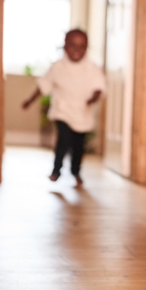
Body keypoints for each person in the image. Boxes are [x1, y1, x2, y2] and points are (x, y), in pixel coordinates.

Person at [21, 29, 106, 187]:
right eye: (72, 45)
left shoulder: (92, 68)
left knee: (78, 146)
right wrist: (30, 100)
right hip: (63, 110)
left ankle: (75, 171)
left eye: (82, 46)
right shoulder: (58, 67)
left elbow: (99, 87)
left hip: (82, 113)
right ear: (65, 46)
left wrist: (93, 98)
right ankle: (56, 170)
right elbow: (44, 85)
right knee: (63, 140)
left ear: (86, 48)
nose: (77, 50)